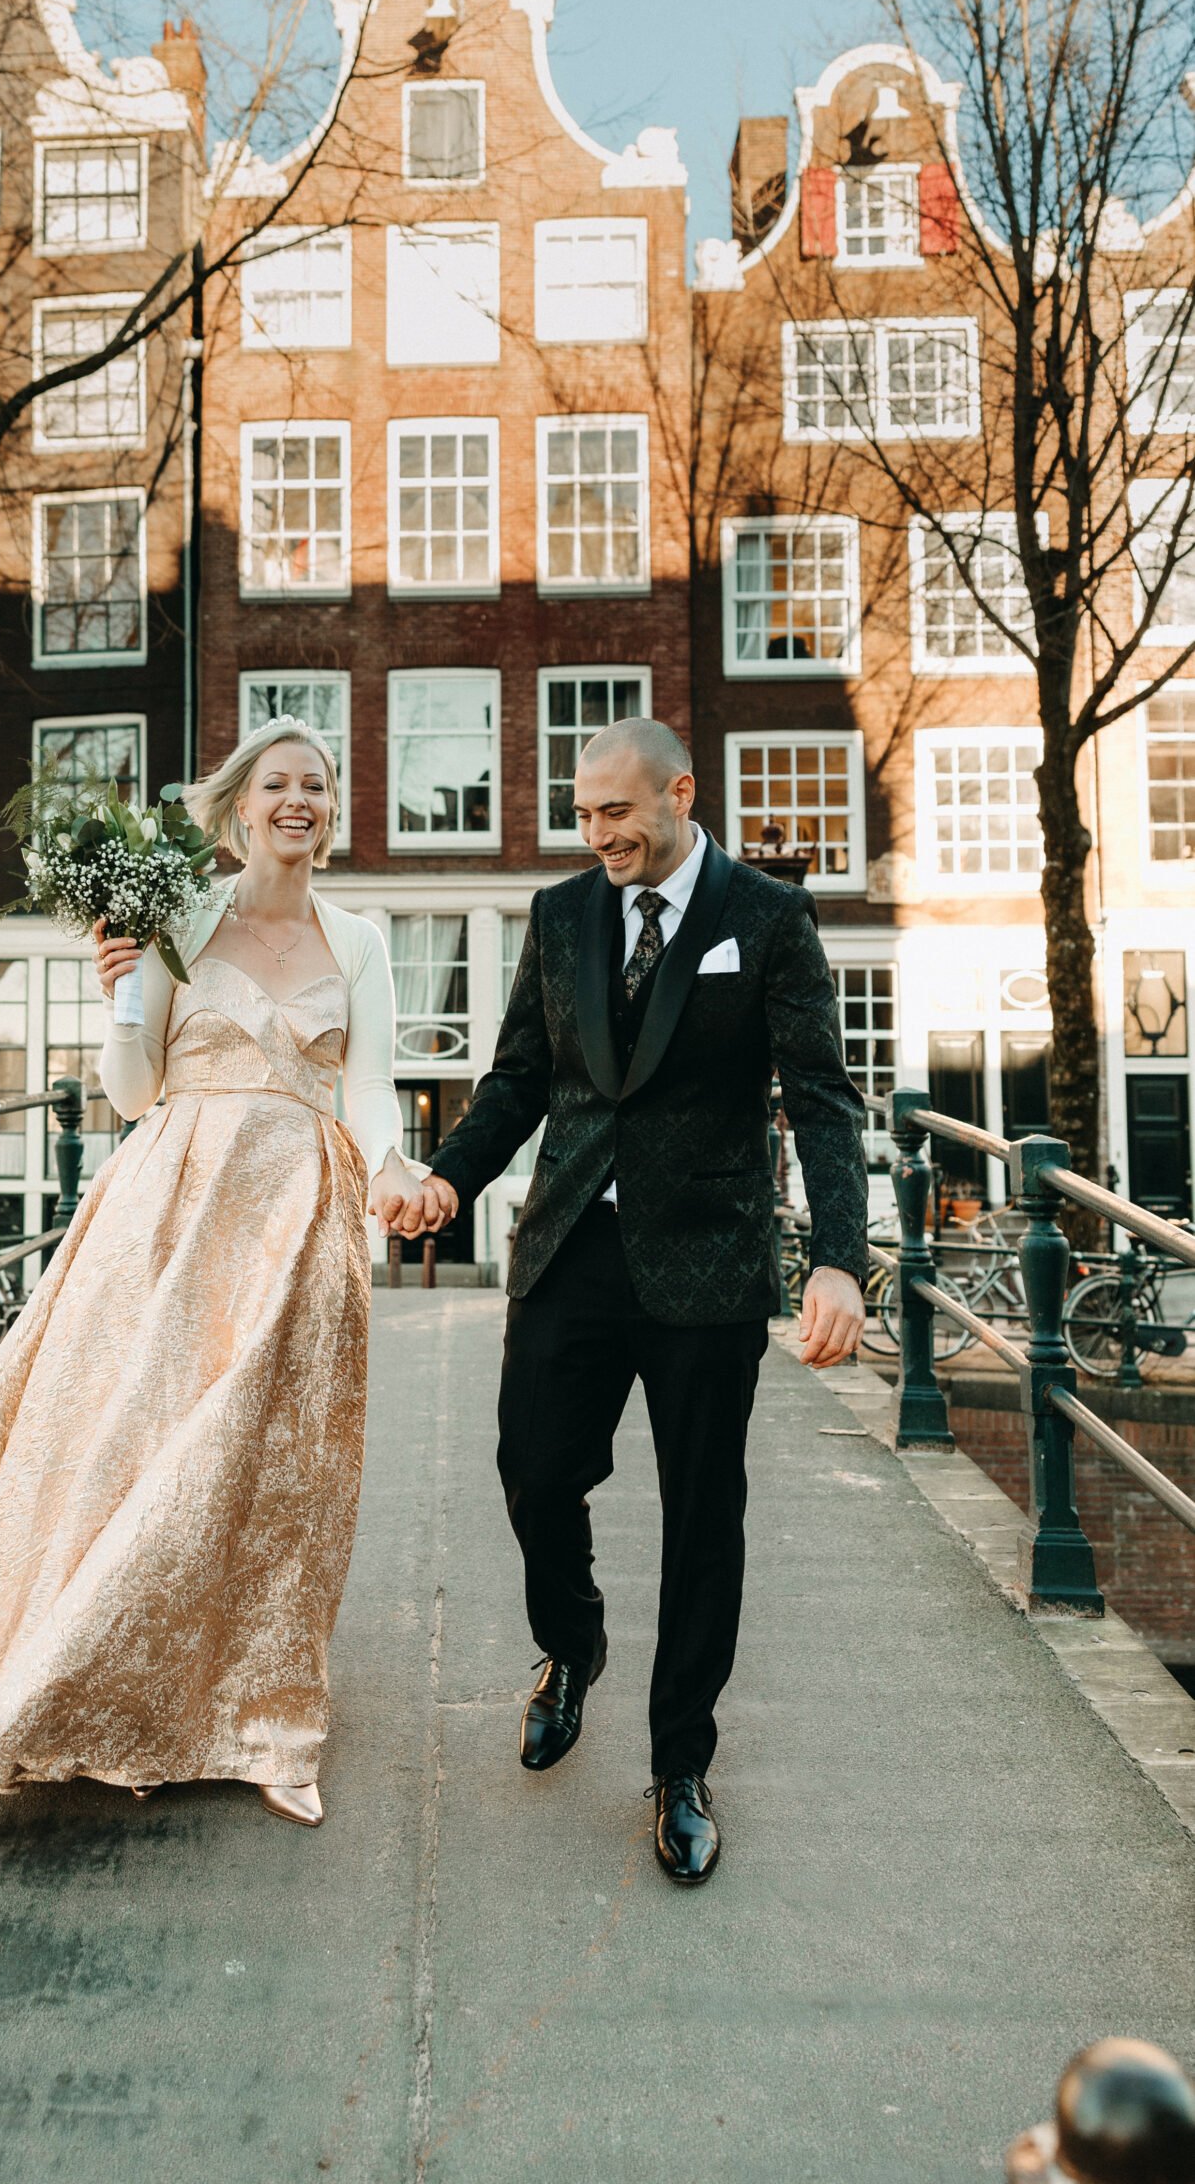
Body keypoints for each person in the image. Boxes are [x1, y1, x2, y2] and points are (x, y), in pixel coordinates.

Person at [0, 720, 424, 1829]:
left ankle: (273, 1723)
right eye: (279, 784)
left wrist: (394, 1160)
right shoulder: (177, 916)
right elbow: (129, 1092)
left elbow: (369, 1083)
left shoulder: (356, 939)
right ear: (240, 804)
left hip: (301, 1213)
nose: (299, 800)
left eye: (317, 783)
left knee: (281, 1474)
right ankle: (126, 1709)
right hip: (168, 1209)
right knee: (140, 1449)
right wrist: (115, 986)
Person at [379, 717, 868, 1886]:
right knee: (534, 1470)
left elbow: (822, 1097)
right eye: (584, 814)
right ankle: (571, 1641)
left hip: (706, 1263)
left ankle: (680, 1763)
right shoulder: (561, 915)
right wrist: (450, 1177)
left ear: (680, 793)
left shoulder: (767, 917)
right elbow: (517, 1082)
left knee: (706, 1516)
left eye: (618, 813)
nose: (597, 834)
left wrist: (839, 1259)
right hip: (569, 1249)